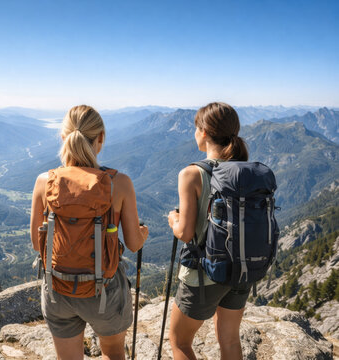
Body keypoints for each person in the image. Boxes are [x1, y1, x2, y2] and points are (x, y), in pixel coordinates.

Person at [30, 105, 149, 360]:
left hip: (57, 289)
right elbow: (134, 244)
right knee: (114, 352)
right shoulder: (120, 183)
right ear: (101, 138)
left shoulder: (44, 182)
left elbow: (36, 243)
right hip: (104, 291)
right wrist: (143, 233)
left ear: (63, 137)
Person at [167, 102, 250, 360]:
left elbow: (186, 233)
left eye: (195, 128)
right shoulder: (247, 171)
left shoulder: (192, 173)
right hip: (242, 269)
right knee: (229, 340)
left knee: (179, 341)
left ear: (203, 132)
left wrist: (173, 219)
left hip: (205, 274)